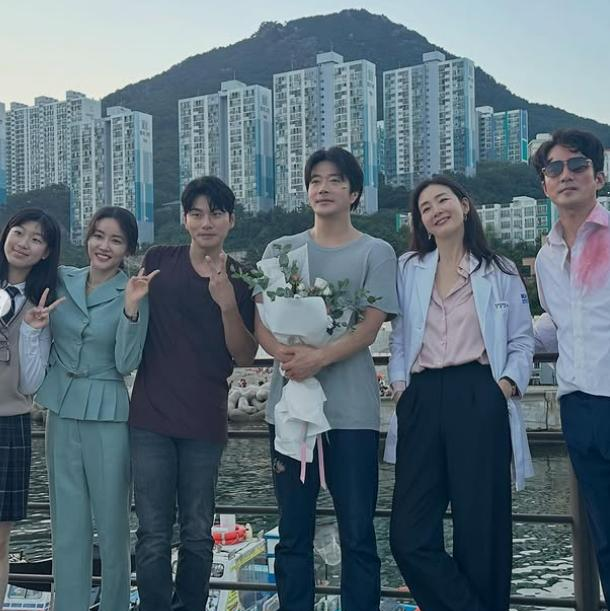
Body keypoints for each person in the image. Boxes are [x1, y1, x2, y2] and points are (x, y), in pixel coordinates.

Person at [255, 147, 399, 611]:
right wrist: (286, 355)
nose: (324, 188)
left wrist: (318, 358)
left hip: (351, 411)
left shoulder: (376, 251)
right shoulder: (281, 251)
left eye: (336, 180)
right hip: (290, 408)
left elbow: (369, 328)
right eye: (315, 180)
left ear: (354, 193)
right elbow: (260, 319)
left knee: (357, 531)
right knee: (292, 531)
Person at [388, 176, 534, 611]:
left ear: (464, 205)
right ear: (420, 222)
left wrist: (505, 386)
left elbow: (522, 339)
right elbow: (399, 335)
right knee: (408, 536)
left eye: (443, 200)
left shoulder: (500, 270)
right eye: (425, 207)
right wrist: (400, 386)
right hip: (422, 395)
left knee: (481, 528)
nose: (436, 210)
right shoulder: (408, 267)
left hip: (479, 392)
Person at [129, 176, 257, 611]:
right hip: (150, 419)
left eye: (216, 214)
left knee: (198, 533)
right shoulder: (158, 261)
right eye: (197, 213)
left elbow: (244, 355)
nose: (206, 222)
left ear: (231, 220)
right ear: (185, 219)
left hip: (205, 420)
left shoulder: (242, 278)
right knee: (152, 533)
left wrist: (226, 303)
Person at [23, 206, 157, 611]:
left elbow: (126, 362)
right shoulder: (62, 278)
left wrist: (131, 308)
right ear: (87, 237)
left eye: (116, 240)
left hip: (108, 414)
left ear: (128, 249)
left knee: (113, 526)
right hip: (61, 410)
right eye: (98, 235)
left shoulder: (133, 290)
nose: (104, 246)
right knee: (67, 525)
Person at [532, 129, 610, 603]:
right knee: (604, 533)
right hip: (578, 405)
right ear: (545, 185)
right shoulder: (546, 257)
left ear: (599, 176)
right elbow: (557, 321)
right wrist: (501, 343)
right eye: (554, 168)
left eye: (578, 165)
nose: (566, 175)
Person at [0, 208, 61, 604]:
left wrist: (30, 332)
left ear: (45, 252)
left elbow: (30, 385)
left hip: (10, 423)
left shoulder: (43, 305)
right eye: (18, 232)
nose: (23, 243)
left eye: (36, 239)